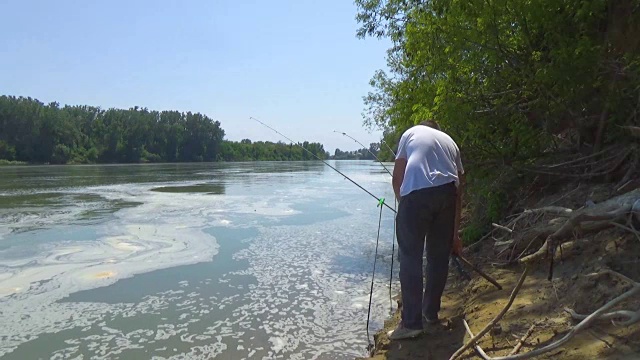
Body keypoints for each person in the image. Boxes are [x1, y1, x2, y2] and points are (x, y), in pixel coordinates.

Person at [388, 120, 465, 340]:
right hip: (447, 194)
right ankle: (430, 313)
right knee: (438, 258)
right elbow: (460, 189)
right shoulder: (450, 142)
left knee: (410, 257)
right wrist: (454, 235)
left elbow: (397, 179)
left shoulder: (410, 133)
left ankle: (411, 323)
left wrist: (404, 206)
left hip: (416, 195)